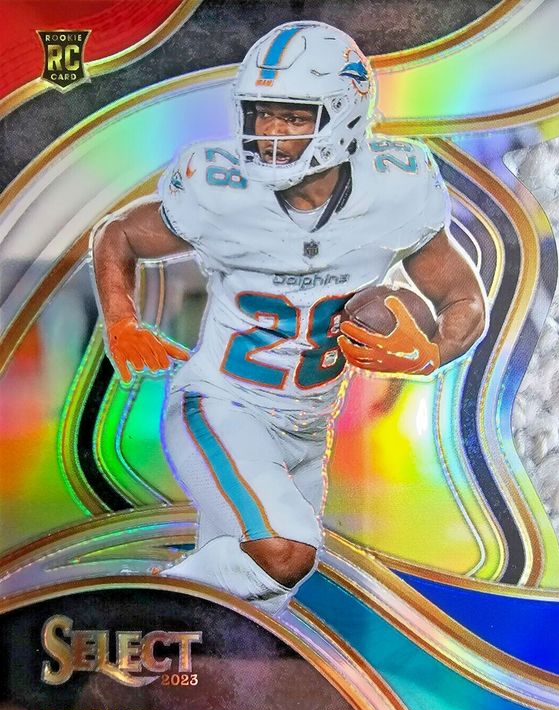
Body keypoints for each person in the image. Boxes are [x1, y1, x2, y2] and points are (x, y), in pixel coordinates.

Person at [92, 21, 487, 615]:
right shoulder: (219, 186)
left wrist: (432, 353)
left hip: (309, 427)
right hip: (223, 405)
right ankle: (118, 600)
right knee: (285, 554)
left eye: (294, 117)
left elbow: (464, 298)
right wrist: (121, 320)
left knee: (256, 601)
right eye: (261, 114)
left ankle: (147, 627)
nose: (270, 133)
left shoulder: (395, 190)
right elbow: (119, 234)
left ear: (344, 116)